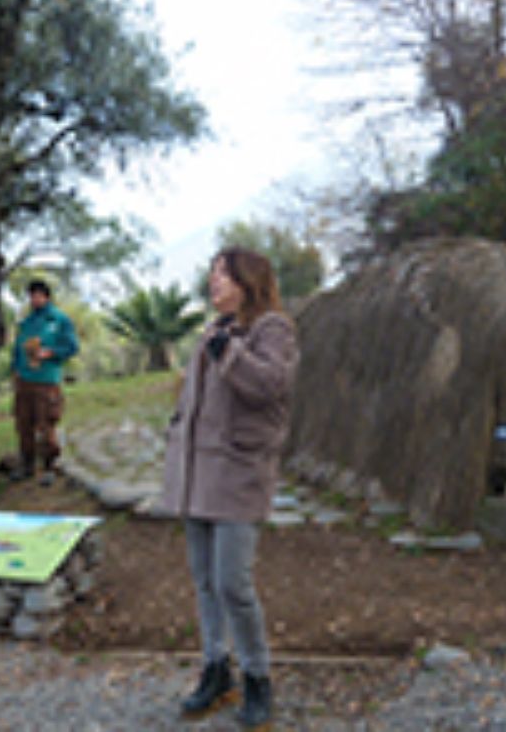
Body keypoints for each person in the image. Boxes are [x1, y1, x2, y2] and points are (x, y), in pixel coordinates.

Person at [159, 247, 298, 729]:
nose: (213, 283)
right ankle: (216, 669)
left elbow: (270, 387)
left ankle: (258, 678)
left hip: (238, 474)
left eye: (222, 275)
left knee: (233, 584)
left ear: (247, 280)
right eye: (211, 275)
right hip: (196, 474)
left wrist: (229, 353)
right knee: (203, 581)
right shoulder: (213, 331)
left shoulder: (271, 328)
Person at [10, 279, 79, 485]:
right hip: (24, 381)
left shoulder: (59, 320)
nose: (34, 299)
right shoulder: (26, 322)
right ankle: (27, 465)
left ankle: (50, 467)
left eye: (38, 295)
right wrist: (16, 370)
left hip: (46, 381)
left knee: (46, 425)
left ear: (46, 296)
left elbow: (72, 347)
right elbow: (17, 349)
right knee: (23, 424)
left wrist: (50, 353)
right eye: (31, 296)